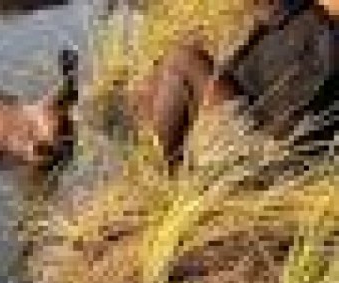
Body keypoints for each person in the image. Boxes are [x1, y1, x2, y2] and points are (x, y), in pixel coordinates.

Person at [133, 0, 338, 165]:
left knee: (184, 61)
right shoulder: (296, 16)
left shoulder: (325, 37)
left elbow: (297, 123)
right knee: (150, 84)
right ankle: (161, 163)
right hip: (250, 121)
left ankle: (166, 176)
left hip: (266, 148)